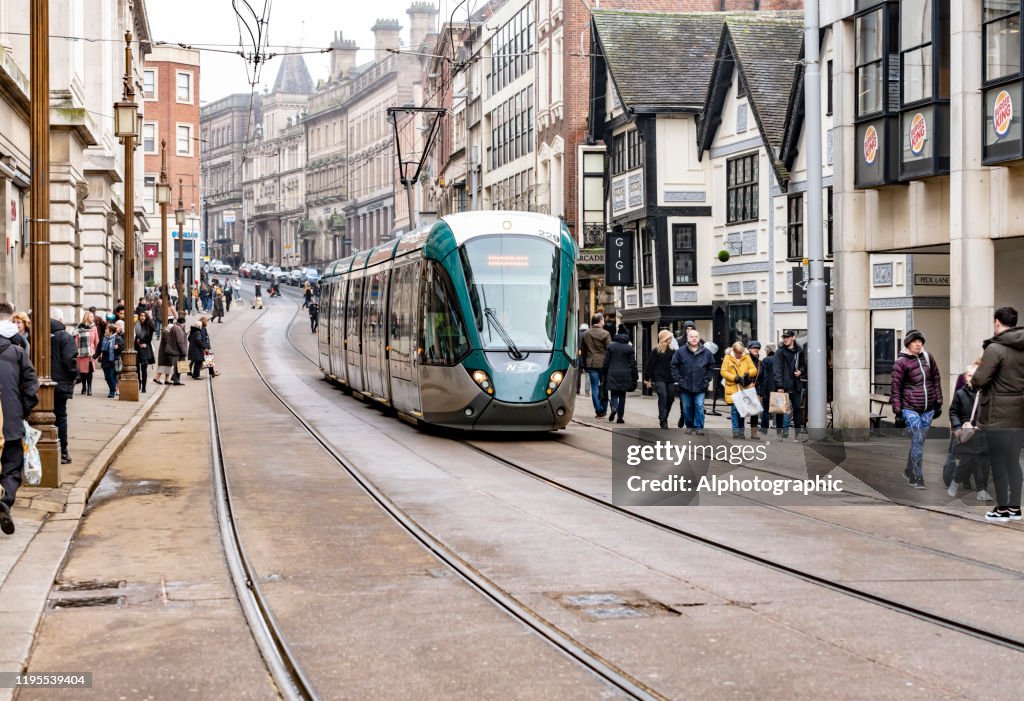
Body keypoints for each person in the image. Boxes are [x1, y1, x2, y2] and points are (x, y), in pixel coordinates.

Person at [972, 306, 1024, 522]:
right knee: (1014, 460)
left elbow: (980, 380)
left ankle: (1001, 509)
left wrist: (974, 378)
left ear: (997, 322)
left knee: (998, 461)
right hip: (1020, 413)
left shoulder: (995, 348)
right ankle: (1015, 507)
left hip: (998, 414)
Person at [0, 301, 39, 535]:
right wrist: (23, 410)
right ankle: (6, 500)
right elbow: (31, 385)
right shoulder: (17, 352)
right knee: (12, 467)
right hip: (11, 419)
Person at [890, 329, 943, 490]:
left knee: (918, 442)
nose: (918, 344)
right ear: (908, 343)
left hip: (928, 409)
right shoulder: (901, 362)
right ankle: (917, 476)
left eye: (920, 341)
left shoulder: (928, 357)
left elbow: (936, 379)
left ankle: (908, 469)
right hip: (910, 408)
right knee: (918, 441)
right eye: (915, 341)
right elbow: (896, 387)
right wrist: (898, 411)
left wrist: (939, 402)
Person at [948, 363, 992, 501]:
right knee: (966, 462)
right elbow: (953, 411)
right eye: (970, 375)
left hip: (983, 434)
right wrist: (957, 427)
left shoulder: (987, 394)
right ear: (965, 378)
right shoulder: (961, 394)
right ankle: (955, 481)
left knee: (984, 464)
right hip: (967, 433)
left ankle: (982, 490)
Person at [671, 328, 716, 435]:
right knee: (687, 407)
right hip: (685, 385)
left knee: (699, 405)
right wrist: (679, 379)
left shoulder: (706, 352)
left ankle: (699, 427)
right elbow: (674, 365)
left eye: (696, 336)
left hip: (701, 385)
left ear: (699, 338)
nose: (694, 338)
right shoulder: (680, 351)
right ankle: (689, 425)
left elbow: (711, 366)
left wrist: (707, 379)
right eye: (692, 336)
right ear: (688, 338)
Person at [49, 310, 77, 464]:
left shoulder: (41, 334)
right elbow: (70, 360)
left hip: (43, 383)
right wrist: (74, 376)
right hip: (60, 384)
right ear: (61, 320)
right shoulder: (65, 336)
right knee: (60, 415)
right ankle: (63, 452)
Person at [774, 330, 808, 440]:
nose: (785, 339)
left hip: (795, 384)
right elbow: (777, 369)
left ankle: (798, 435)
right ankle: (779, 434)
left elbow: (803, 365)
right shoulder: (780, 352)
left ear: (793, 338)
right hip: (783, 385)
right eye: (784, 337)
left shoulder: (799, 351)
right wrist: (779, 386)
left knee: (797, 409)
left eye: (787, 337)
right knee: (780, 410)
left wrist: (801, 372)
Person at [721, 341, 758, 440]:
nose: (739, 356)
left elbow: (754, 370)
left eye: (740, 354)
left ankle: (741, 432)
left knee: (742, 411)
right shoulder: (727, 357)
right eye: (737, 354)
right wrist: (734, 378)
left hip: (744, 389)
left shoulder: (746, 357)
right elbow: (723, 372)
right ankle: (736, 431)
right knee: (734, 410)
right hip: (733, 387)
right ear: (733, 351)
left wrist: (747, 373)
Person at [644, 330, 677, 429]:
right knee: (663, 396)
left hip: (670, 378)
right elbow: (650, 365)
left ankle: (664, 415)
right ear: (665, 338)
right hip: (659, 378)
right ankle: (663, 420)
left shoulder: (673, 350)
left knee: (670, 397)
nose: (671, 339)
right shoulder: (656, 350)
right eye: (670, 337)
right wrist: (647, 379)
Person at [602, 330, 637, 424]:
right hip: (625, 373)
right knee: (622, 396)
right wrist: (635, 376)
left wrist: (603, 373)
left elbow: (606, 362)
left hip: (612, 372)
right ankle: (620, 417)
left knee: (614, 393)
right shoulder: (629, 348)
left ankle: (614, 407)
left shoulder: (611, 346)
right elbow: (633, 364)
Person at [581, 315, 611, 418]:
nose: (604, 322)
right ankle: (604, 409)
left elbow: (583, 351)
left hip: (591, 363)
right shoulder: (606, 333)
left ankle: (598, 410)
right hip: (603, 364)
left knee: (594, 387)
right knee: (604, 386)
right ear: (600, 321)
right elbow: (609, 350)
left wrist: (585, 364)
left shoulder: (586, 333)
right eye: (603, 320)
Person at [756, 343, 781, 437]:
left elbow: (764, 376)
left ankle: (764, 429)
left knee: (766, 409)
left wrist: (762, 390)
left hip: (768, 389)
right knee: (779, 410)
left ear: (768, 350)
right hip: (779, 388)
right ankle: (779, 431)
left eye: (766, 350)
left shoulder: (766, 360)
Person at [94, 323, 124, 398]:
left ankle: (112, 391)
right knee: (107, 377)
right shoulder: (103, 339)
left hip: (114, 360)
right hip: (105, 360)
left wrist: (118, 347)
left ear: (111, 331)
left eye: (106, 329)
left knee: (111, 376)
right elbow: (98, 349)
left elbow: (122, 349)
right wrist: (94, 356)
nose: (105, 330)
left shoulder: (118, 338)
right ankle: (112, 389)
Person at [76, 310, 99, 396]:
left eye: (93, 316)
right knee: (83, 372)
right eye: (91, 316)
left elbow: (97, 341)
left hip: (90, 352)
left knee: (90, 371)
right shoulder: (79, 327)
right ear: (86, 317)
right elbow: (76, 340)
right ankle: (83, 387)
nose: (93, 318)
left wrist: (98, 353)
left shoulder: (94, 328)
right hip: (81, 352)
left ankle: (89, 388)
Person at [134, 310, 156, 393]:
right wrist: (138, 342)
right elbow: (135, 336)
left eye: (144, 315)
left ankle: (144, 386)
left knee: (144, 368)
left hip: (145, 348)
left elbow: (149, 338)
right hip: (137, 348)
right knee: (136, 368)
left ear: (146, 317)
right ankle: (138, 383)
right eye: (141, 315)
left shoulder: (149, 326)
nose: (142, 317)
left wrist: (142, 341)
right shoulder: (137, 324)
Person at [576, 323, 590, 396]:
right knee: (587, 374)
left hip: (578, 356)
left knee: (578, 374)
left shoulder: (577, 334)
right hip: (587, 357)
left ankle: (577, 390)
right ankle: (587, 391)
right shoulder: (588, 334)